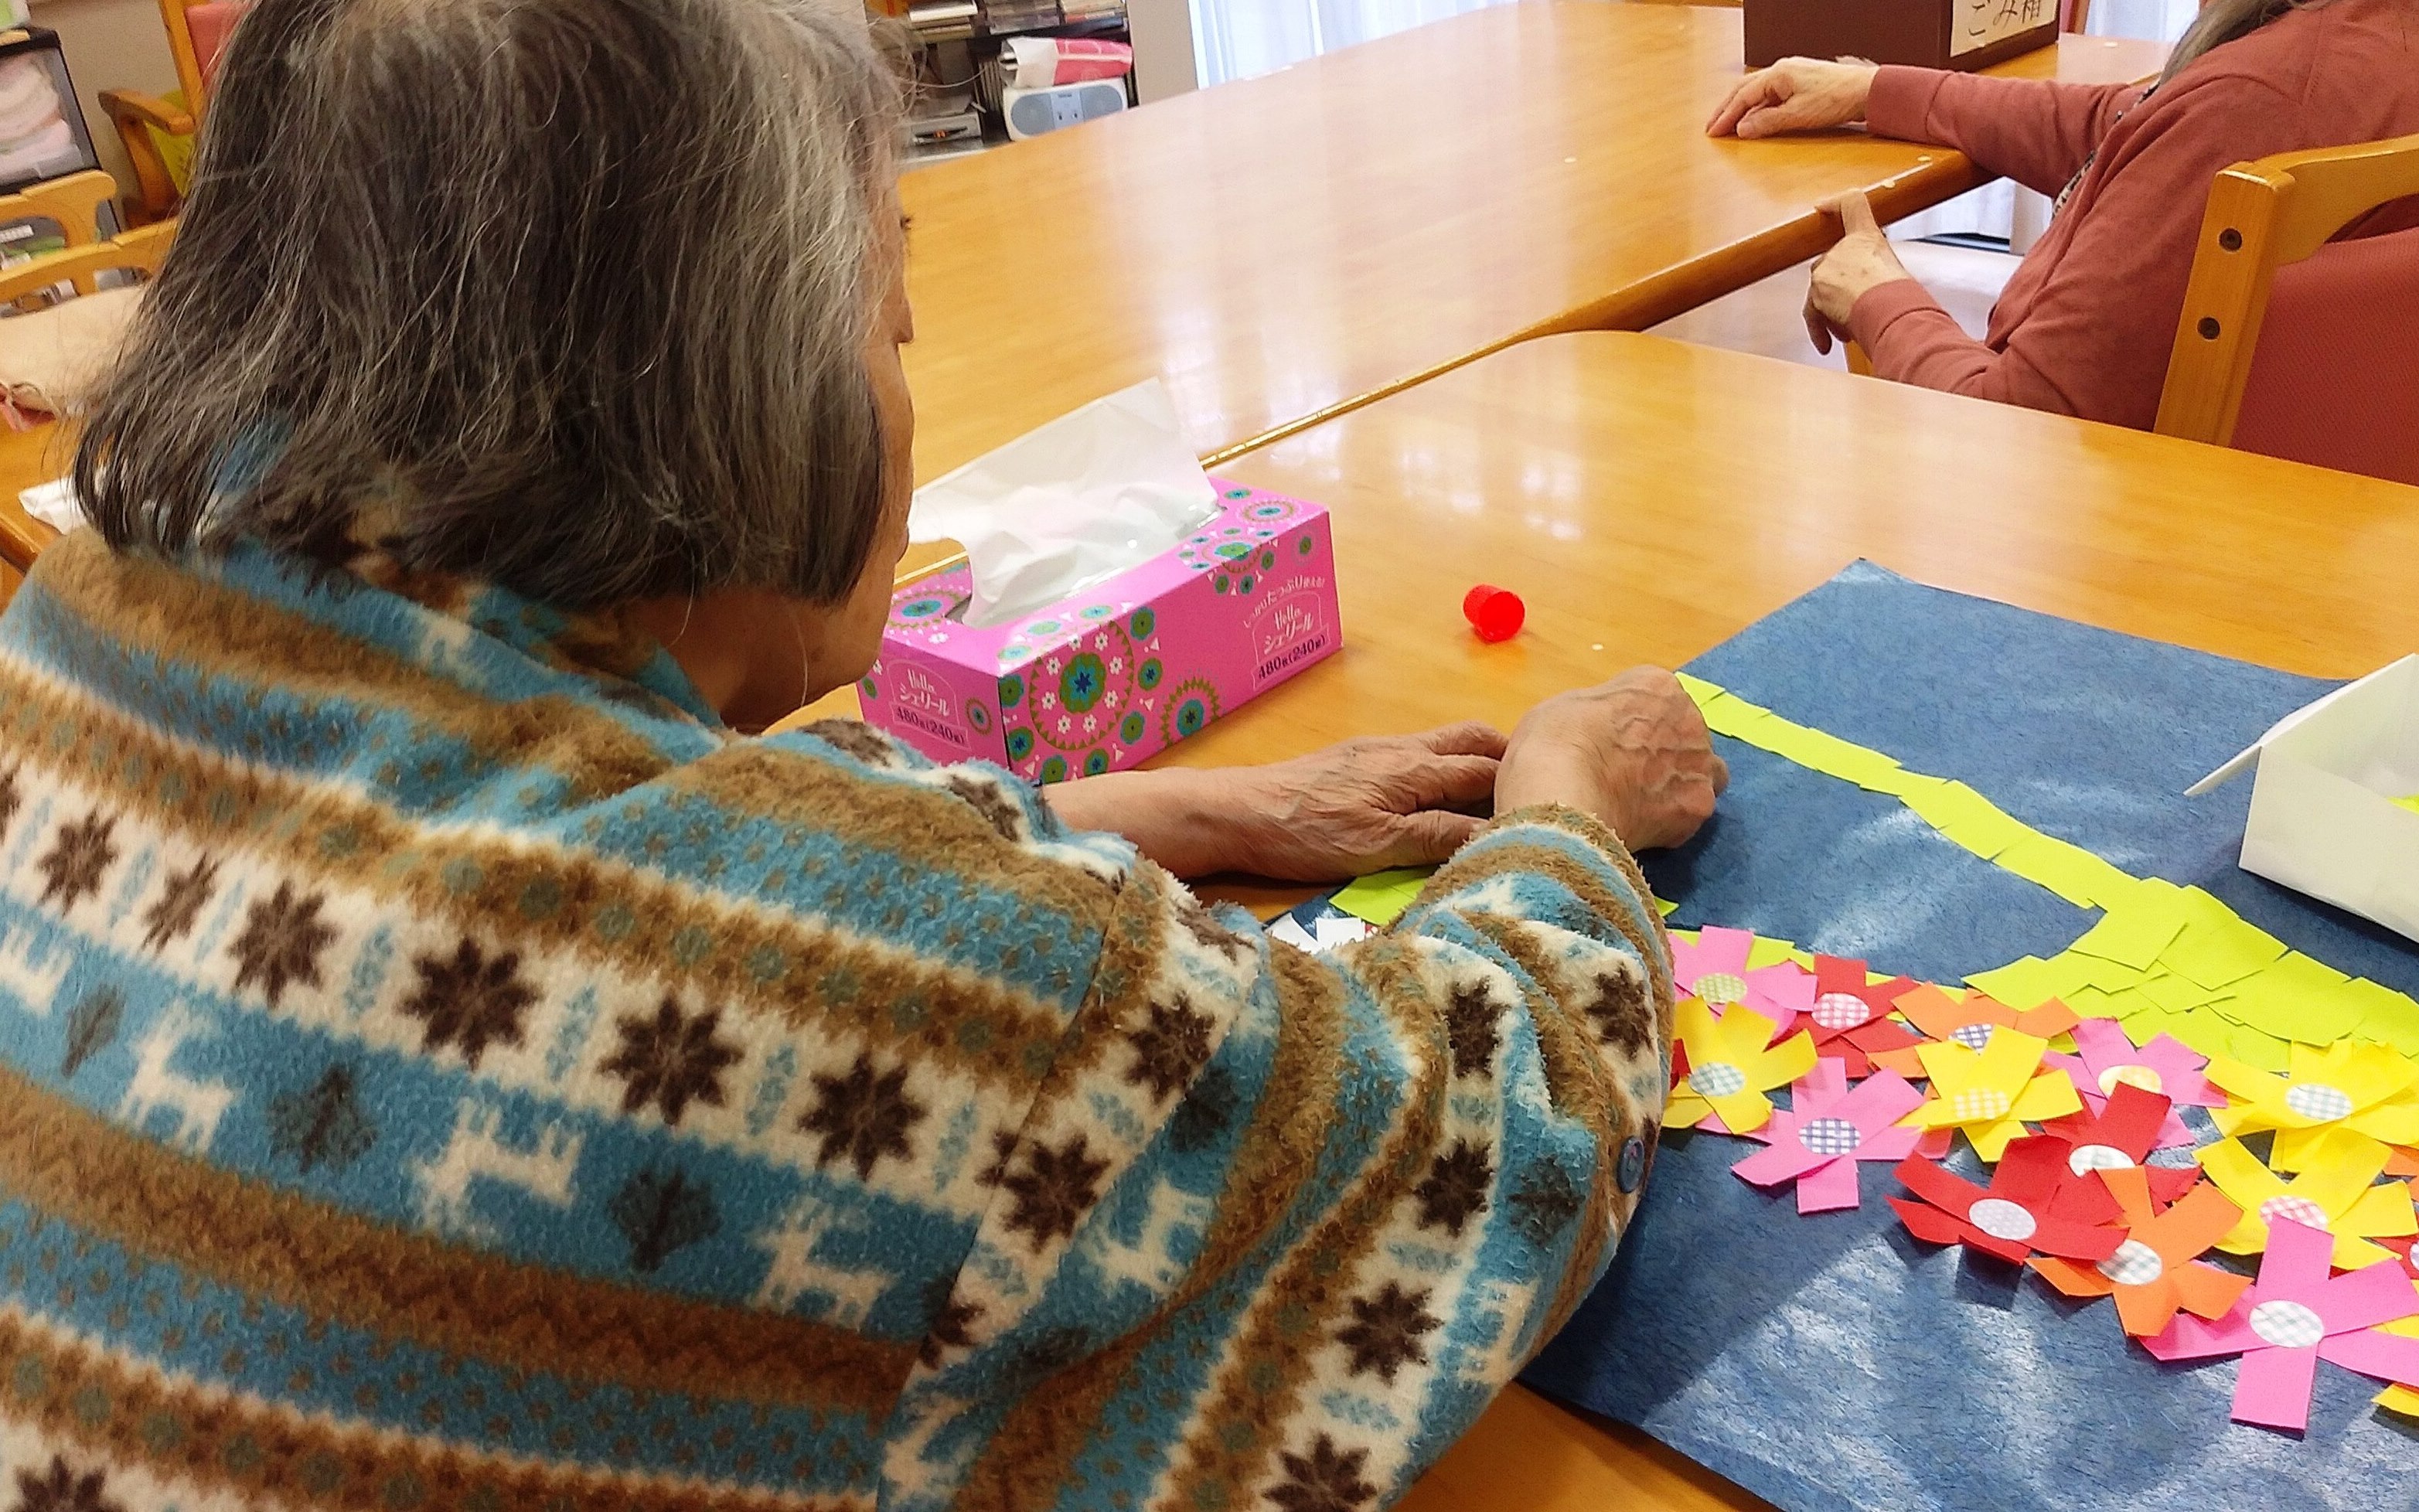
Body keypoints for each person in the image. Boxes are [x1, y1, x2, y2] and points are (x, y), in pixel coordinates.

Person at [0, 1, 1727, 1508]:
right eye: (893, 330)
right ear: (739, 395)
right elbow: (1495, 1146)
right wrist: (1565, 800)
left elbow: (555, 814)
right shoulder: (862, 977)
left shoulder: (89, 617)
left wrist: (1166, 808)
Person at [1705, 0, 2419, 429]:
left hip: (2090, 525)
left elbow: (2022, 424)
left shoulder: (2253, 102)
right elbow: (2137, 124)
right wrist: (1876, 91)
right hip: (2310, 512)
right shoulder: (2367, 46)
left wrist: (1875, 298)